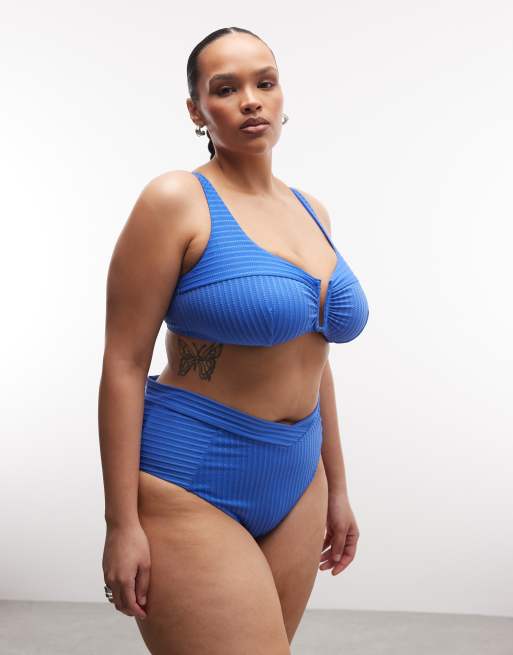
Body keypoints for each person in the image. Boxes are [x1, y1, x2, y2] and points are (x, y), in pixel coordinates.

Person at [98, 26, 369, 655]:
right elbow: (124, 362)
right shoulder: (175, 200)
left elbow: (315, 359)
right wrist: (120, 523)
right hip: (192, 478)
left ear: (281, 95)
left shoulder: (312, 210)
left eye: (264, 83)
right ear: (197, 111)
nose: (250, 100)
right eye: (225, 89)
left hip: (299, 479)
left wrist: (338, 485)